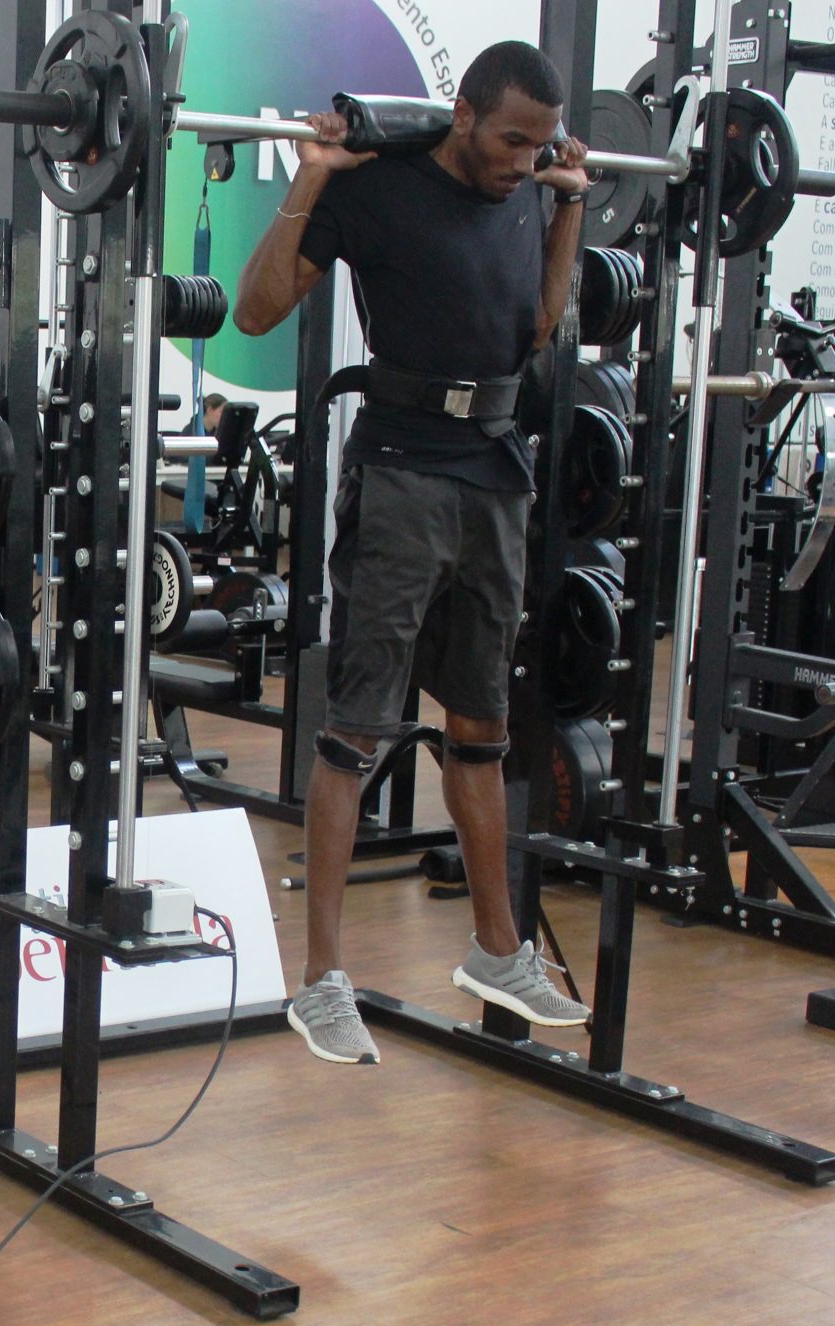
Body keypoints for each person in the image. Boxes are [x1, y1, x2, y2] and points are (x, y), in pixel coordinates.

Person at [234, 41, 593, 1065]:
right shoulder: (381, 187)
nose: (520, 161)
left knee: (479, 724)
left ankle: (495, 949)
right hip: (400, 470)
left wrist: (567, 208)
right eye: (509, 141)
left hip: (493, 469)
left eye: (537, 147)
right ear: (462, 117)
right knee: (360, 724)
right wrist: (310, 176)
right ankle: (322, 981)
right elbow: (260, 306)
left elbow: (538, 326)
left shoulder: (529, 191)